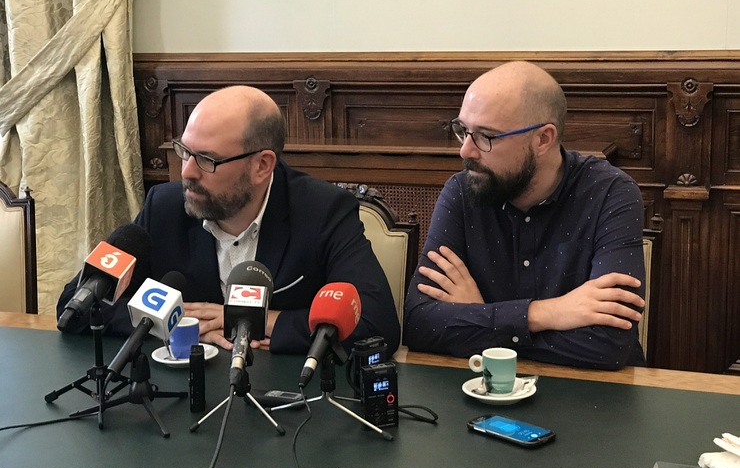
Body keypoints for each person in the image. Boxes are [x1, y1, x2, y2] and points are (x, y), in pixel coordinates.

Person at [57, 86, 400, 355]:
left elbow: (378, 323)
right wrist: (172, 322)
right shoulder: (164, 207)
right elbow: (76, 305)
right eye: (184, 151)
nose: (187, 172)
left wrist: (253, 321)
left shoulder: (323, 211)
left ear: (262, 166)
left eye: (206, 159)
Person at [404, 61, 646, 369]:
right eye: (463, 131)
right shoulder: (462, 192)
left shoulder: (611, 194)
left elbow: (608, 346)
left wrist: (481, 317)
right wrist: (546, 313)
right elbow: (419, 324)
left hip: (591, 396)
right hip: (483, 393)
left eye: (486, 136)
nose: (465, 151)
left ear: (543, 139)